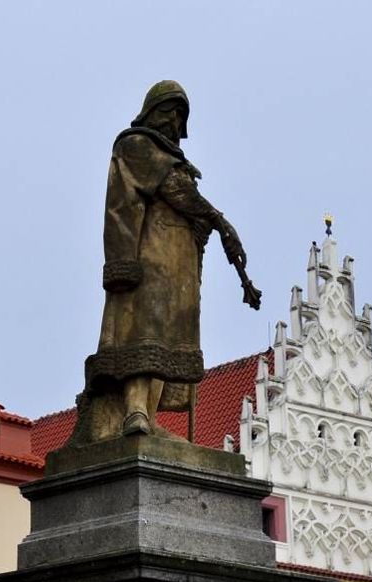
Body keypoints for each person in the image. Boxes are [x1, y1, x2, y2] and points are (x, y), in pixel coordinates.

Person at [83, 80, 259, 437]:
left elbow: (185, 201)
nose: (175, 123)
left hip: (177, 264)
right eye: (170, 112)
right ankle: (134, 411)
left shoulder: (173, 159)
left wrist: (207, 228)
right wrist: (219, 219)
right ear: (152, 112)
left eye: (181, 116)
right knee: (144, 332)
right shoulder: (136, 146)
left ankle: (149, 415)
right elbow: (173, 191)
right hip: (148, 256)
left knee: (167, 340)